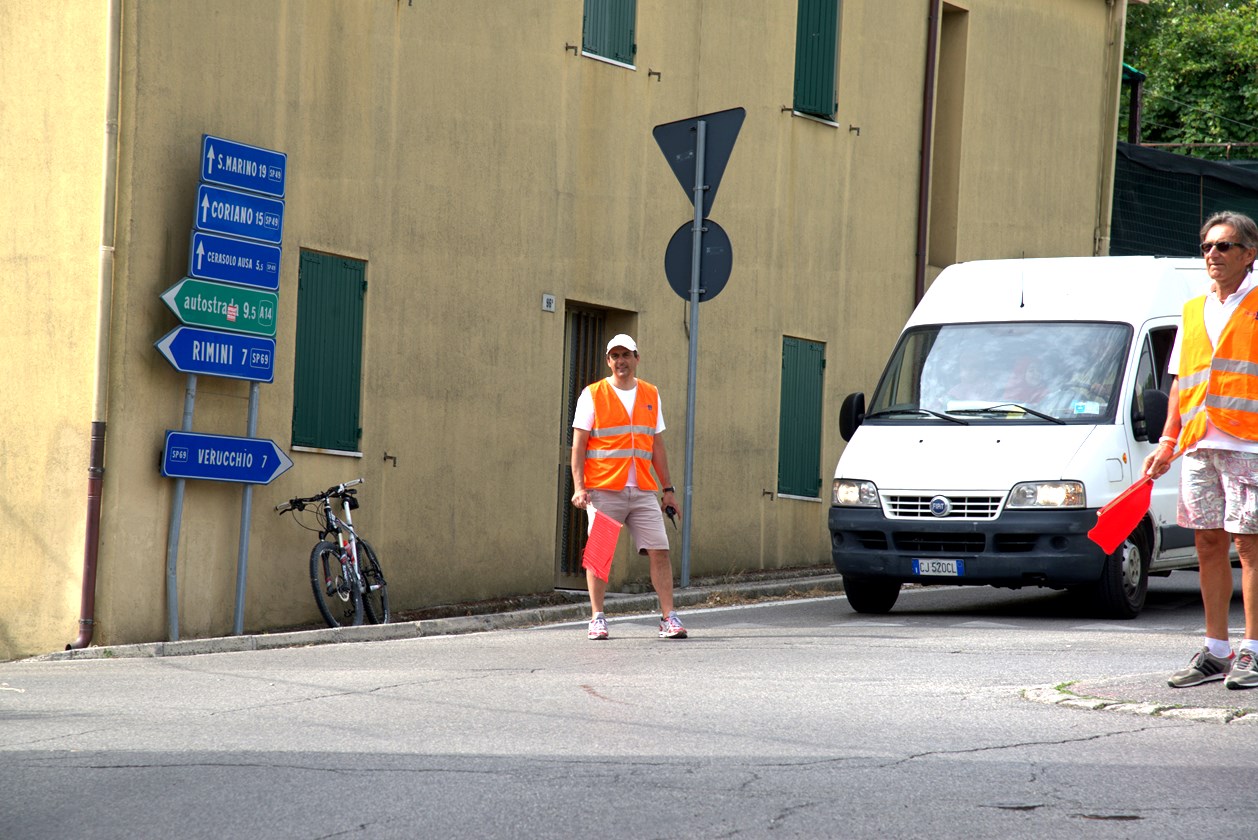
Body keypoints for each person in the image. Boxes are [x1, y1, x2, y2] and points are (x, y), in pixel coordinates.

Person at [1144, 210, 1258, 690]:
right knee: (1206, 543)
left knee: (1248, 545)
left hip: (1250, 443)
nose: (1213, 254)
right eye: (1207, 246)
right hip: (1198, 443)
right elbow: (1180, 384)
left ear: (1249, 254)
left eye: (1224, 246)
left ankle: (1252, 650)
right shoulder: (1193, 310)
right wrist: (1168, 441)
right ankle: (1216, 650)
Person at [570, 334, 687, 641]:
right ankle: (597, 617)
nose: (620, 361)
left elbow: (657, 445)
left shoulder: (651, 393)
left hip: (642, 489)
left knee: (660, 550)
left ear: (637, 358)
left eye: (626, 355)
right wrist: (579, 487)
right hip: (604, 489)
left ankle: (668, 618)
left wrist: (669, 489)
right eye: (614, 356)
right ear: (608, 361)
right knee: (600, 554)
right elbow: (579, 445)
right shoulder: (592, 394)